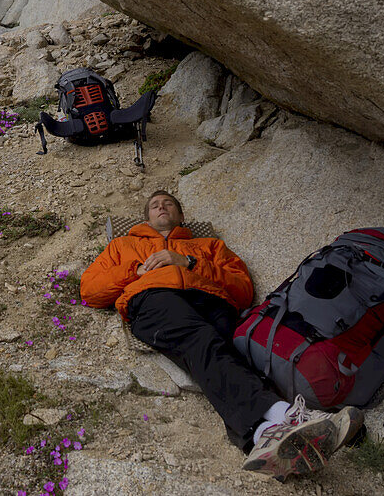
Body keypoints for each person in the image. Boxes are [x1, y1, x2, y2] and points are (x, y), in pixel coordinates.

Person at [80, 190, 364, 479]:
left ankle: (262, 435)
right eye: (154, 205)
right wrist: (137, 269)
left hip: (211, 299)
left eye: (168, 204)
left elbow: (242, 290)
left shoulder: (208, 245)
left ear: (181, 215)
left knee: (239, 352)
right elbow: (90, 290)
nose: (161, 207)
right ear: (146, 218)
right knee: (203, 340)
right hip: (154, 298)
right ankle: (288, 415)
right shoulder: (123, 245)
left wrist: (189, 262)